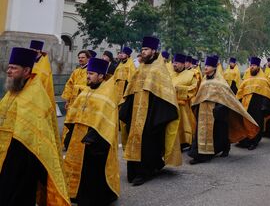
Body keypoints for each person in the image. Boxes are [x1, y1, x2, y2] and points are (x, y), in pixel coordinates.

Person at [0, 47, 70, 206]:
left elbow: (39, 135)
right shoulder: (13, 90)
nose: (9, 71)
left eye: (13, 68)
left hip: (23, 161)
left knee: (19, 197)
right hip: (6, 155)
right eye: (9, 67)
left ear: (26, 71)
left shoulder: (36, 94)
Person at [119, 36, 181, 186]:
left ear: (153, 51)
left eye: (146, 50)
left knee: (148, 143)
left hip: (152, 114)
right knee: (136, 140)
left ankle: (145, 172)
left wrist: (154, 116)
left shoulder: (159, 69)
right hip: (136, 112)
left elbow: (165, 94)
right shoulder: (141, 68)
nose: (143, 52)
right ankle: (134, 171)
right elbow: (131, 89)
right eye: (142, 50)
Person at [63, 58, 119, 205]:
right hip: (78, 136)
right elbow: (74, 112)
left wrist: (93, 136)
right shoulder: (86, 90)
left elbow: (105, 119)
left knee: (92, 170)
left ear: (101, 76)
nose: (87, 76)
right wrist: (70, 133)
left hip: (96, 140)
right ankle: (75, 192)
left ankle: (94, 198)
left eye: (91, 73)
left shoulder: (107, 93)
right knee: (76, 166)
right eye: (88, 73)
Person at [188, 55, 259, 164]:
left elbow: (227, 97)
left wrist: (219, 109)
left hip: (216, 111)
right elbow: (200, 95)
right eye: (205, 65)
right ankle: (200, 153)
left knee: (220, 130)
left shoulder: (220, 82)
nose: (205, 67)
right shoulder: (204, 80)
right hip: (203, 111)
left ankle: (223, 148)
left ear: (214, 68)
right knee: (203, 132)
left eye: (208, 66)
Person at [235, 57, 270, 150]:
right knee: (245, 122)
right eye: (251, 65)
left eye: (254, 65)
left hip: (258, 106)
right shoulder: (246, 78)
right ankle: (245, 140)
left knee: (256, 123)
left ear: (258, 67)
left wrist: (265, 106)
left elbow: (267, 93)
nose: (252, 67)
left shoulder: (263, 79)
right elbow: (240, 92)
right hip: (246, 105)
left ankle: (254, 141)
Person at [172, 54, 198, 150]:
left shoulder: (191, 74)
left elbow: (194, 88)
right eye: (173, 62)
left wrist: (179, 89)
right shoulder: (170, 74)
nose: (174, 65)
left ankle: (185, 142)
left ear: (183, 64)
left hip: (184, 106)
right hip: (171, 104)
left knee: (185, 125)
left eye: (177, 63)